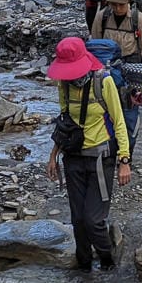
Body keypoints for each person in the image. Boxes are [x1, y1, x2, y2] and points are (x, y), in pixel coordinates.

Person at [45, 37, 132, 271]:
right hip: (73, 157)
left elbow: (119, 121)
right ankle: (83, 270)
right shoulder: (63, 84)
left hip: (100, 158)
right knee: (78, 221)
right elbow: (64, 123)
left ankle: (108, 261)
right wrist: (53, 155)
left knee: (93, 220)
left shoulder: (103, 82)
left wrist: (124, 160)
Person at [91, 0, 142, 64]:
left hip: (131, 62)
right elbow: (96, 44)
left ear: (128, 1)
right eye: (114, 4)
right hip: (108, 62)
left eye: (121, 5)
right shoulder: (102, 17)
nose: (118, 8)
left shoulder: (138, 19)